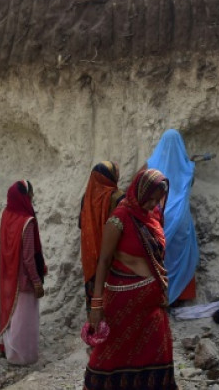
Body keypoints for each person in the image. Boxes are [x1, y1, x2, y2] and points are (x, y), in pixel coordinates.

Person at [84, 169, 176, 390]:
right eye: (149, 199)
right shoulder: (119, 219)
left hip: (152, 302)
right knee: (110, 356)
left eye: (157, 199)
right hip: (122, 305)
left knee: (157, 353)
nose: (152, 204)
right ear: (139, 192)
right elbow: (103, 262)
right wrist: (96, 305)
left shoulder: (153, 217)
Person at [146, 128, 211, 304]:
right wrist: (187, 163)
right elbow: (188, 184)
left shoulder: (151, 166)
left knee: (162, 257)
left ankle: (159, 297)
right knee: (180, 256)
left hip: (160, 218)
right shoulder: (188, 168)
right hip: (181, 220)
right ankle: (180, 298)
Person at [0, 180, 47, 365]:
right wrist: (36, 281)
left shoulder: (7, 214)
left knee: (12, 313)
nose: (32, 198)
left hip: (9, 275)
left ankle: (7, 348)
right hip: (24, 280)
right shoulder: (27, 221)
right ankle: (21, 356)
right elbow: (28, 257)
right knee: (24, 319)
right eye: (31, 195)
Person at [78, 161, 124, 310]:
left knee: (94, 296)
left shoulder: (86, 197)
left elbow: (81, 224)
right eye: (115, 172)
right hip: (114, 256)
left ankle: (96, 328)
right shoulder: (118, 197)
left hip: (90, 256)